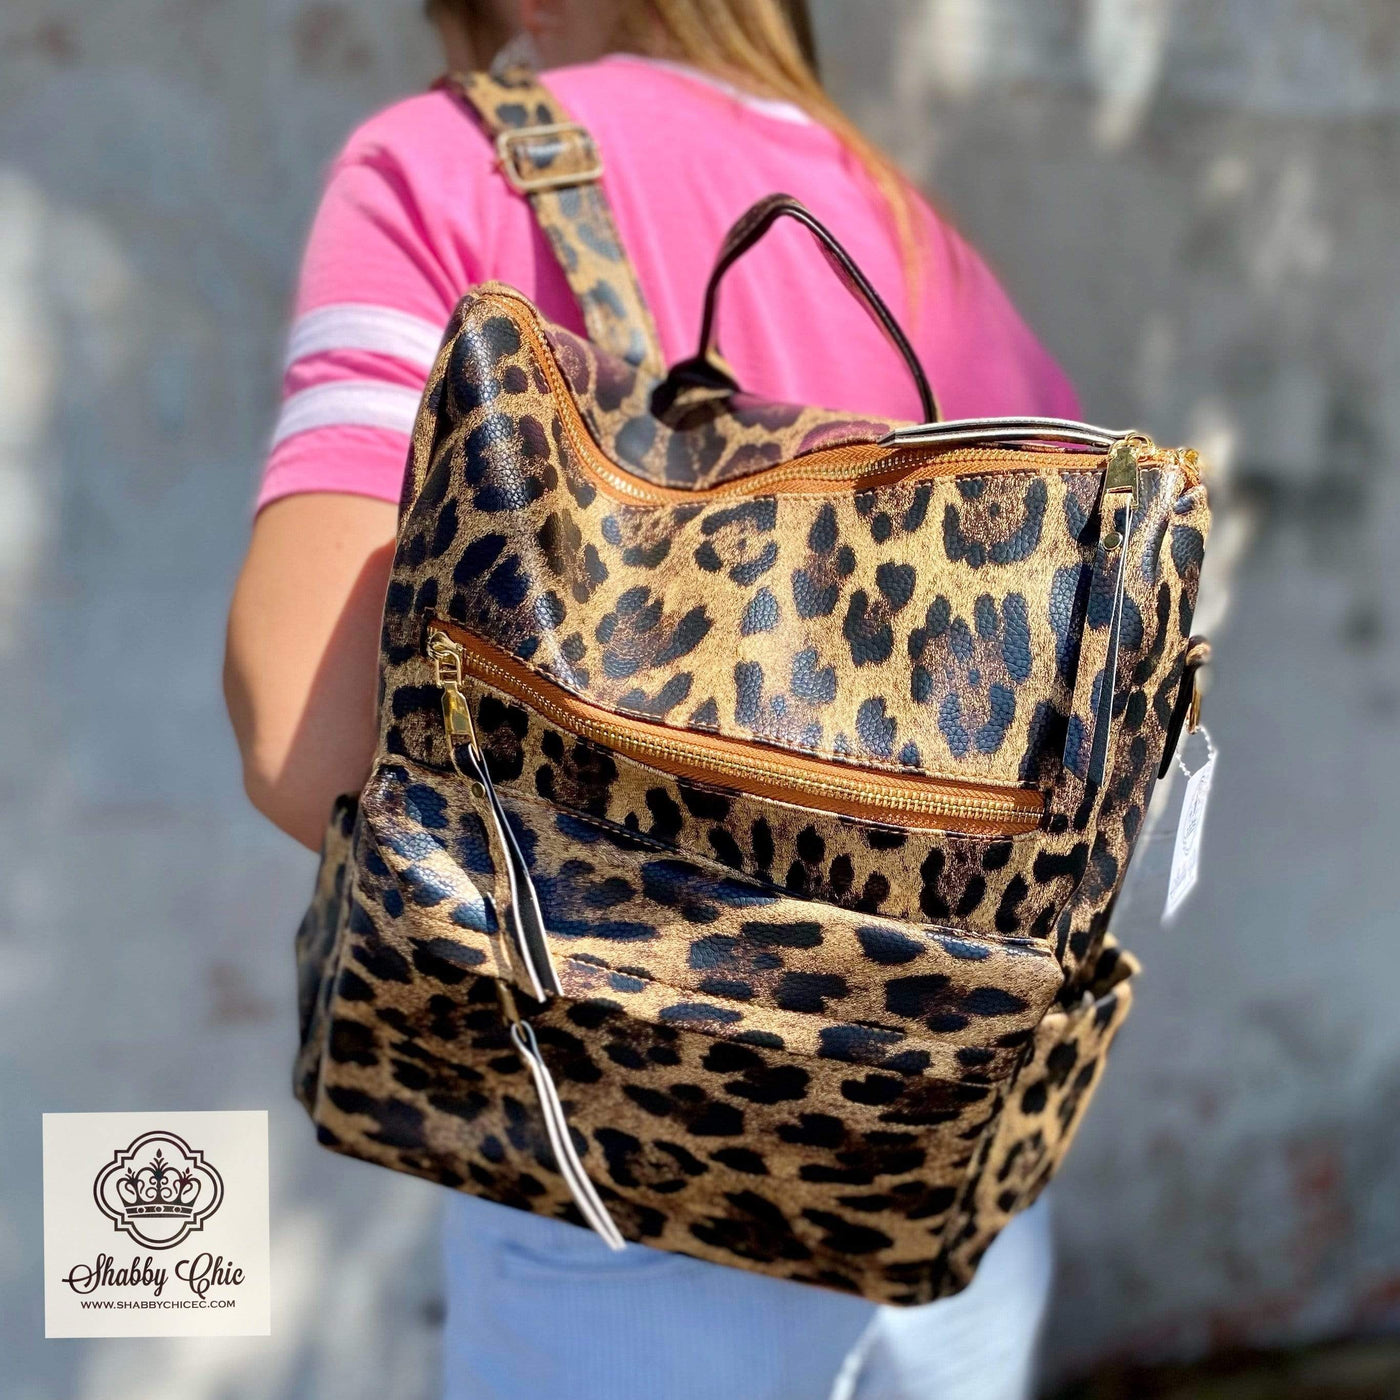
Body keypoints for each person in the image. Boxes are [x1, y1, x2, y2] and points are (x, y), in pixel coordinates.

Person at [224, 2, 1078, 1396]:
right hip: (941, 1175)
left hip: (626, 1164)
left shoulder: (446, 168)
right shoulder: (912, 232)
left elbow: (301, 734)